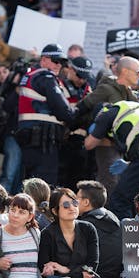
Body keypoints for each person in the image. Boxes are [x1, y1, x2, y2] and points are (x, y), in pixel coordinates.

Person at [38, 188, 131, 278]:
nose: (72, 207)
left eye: (75, 203)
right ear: (55, 211)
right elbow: (46, 271)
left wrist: (65, 270)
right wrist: (76, 274)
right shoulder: (47, 234)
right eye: (66, 205)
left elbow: (92, 265)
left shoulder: (88, 228)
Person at [1, 193, 84, 278]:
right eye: (12, 210)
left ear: (30, 217)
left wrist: (48, 267)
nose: (15, 215)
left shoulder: (35, 233)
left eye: (21, 212)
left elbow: (44, 260)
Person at [85, 100, 139, 220]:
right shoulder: (133, 107)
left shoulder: (105, 116)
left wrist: (93, 132)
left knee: (120, 198)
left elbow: (89, 144)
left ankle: (125, 237)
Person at [75, 56, 139, 195]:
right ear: (125, 71)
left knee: (121, 186)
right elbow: (81, 109)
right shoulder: (106, 89)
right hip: (106, 146)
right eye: (137, 72)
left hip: (124, 149)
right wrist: (94, 129)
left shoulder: (133, 95)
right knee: (109, 186)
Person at [15, 43, 73, 185]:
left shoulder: (30, 75)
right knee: (44, 185)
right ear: (44, 60)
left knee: (30, 184)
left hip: (31, 138)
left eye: (62, 62)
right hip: (43, 141)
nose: (59, 65)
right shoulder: (45, 77)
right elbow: (63, 111)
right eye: (56, 61)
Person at [75, 181, 123, 278]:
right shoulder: (114, 218)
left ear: (86, 202)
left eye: (76, 198)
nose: (73, 202)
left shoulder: (84, 225)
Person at [60, 56, 94, 189]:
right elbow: (67, 115)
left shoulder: (88, 89)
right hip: (65, 139)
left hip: (82, 142)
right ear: (71, 70)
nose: (82, 80)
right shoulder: (60, 86)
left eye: (85, 77)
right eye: (79, 75)